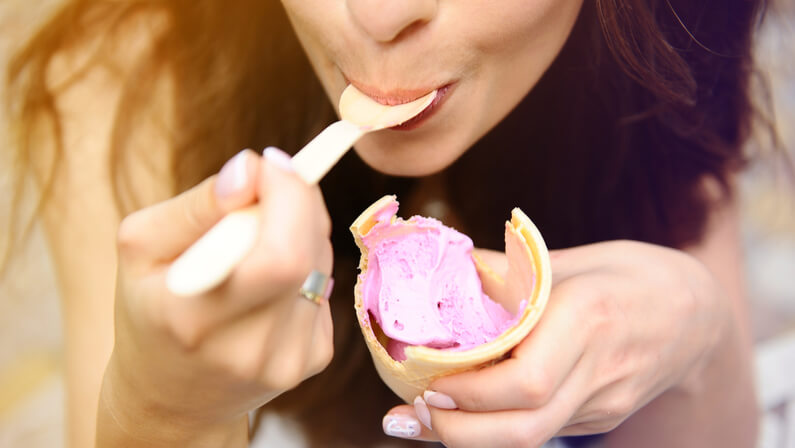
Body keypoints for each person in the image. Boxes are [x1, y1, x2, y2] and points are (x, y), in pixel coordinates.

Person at [3, 0, 765, 446]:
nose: (376, 13)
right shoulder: (127, 79)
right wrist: (156, 408)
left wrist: (699, 333)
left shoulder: (659, 43)